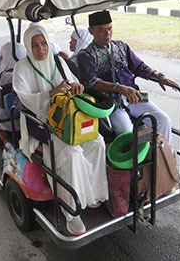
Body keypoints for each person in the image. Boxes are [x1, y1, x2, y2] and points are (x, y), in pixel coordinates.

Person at [12, 23, 108, 236]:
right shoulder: (22, 68)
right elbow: (22, 100)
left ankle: (92, 194)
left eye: (44, 43)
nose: (41, 50)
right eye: (35, 45)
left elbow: (74, 84)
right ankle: (71, 213)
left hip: (67, 117)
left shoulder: (57, 61)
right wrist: (50, 93)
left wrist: (77, 87)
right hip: (40, 120)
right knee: (71, 152)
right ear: (28, 46)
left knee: (97, 142)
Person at [77, 10, 178, 146]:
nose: (107, 34)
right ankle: (136, 163)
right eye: (101, 30)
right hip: (111, 104)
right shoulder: (86, 55)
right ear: (91, 31)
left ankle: (165, 160)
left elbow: (139, 67)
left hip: (135, 96)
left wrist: (159, 76)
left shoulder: (121, 46)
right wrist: (120, 88)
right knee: (127, 133)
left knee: (163, 120)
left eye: (110, 29)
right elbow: (91, 81)